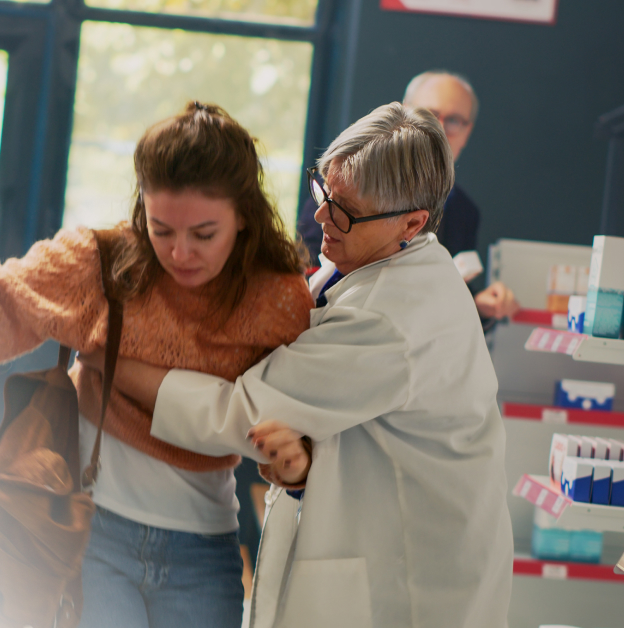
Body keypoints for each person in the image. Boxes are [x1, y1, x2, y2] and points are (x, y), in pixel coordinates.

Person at [0, 101, 316, 628]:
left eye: (203, 234)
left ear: (244, 216)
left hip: (205, 545)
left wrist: (294, 460)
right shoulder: (101, 263)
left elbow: (304, 420)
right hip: (90, 530)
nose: (180, 252)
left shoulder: (279, 298)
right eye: (161, 229)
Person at [81, 103, 513, 627]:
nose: (322, 218)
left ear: (413, 222)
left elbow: (241, 412)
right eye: (323, 193)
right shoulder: (368, 263)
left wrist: (110, 359)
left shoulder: (391, 320)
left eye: (346, 210)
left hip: (410, 584)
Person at [297, 70, 519, 322]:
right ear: (402, 115)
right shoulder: (345, 185)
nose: (440, 130)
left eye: (455, 120)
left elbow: (450, 291)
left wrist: (477, 304)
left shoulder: (464, 212)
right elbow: (306, 264)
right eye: (429, 115)